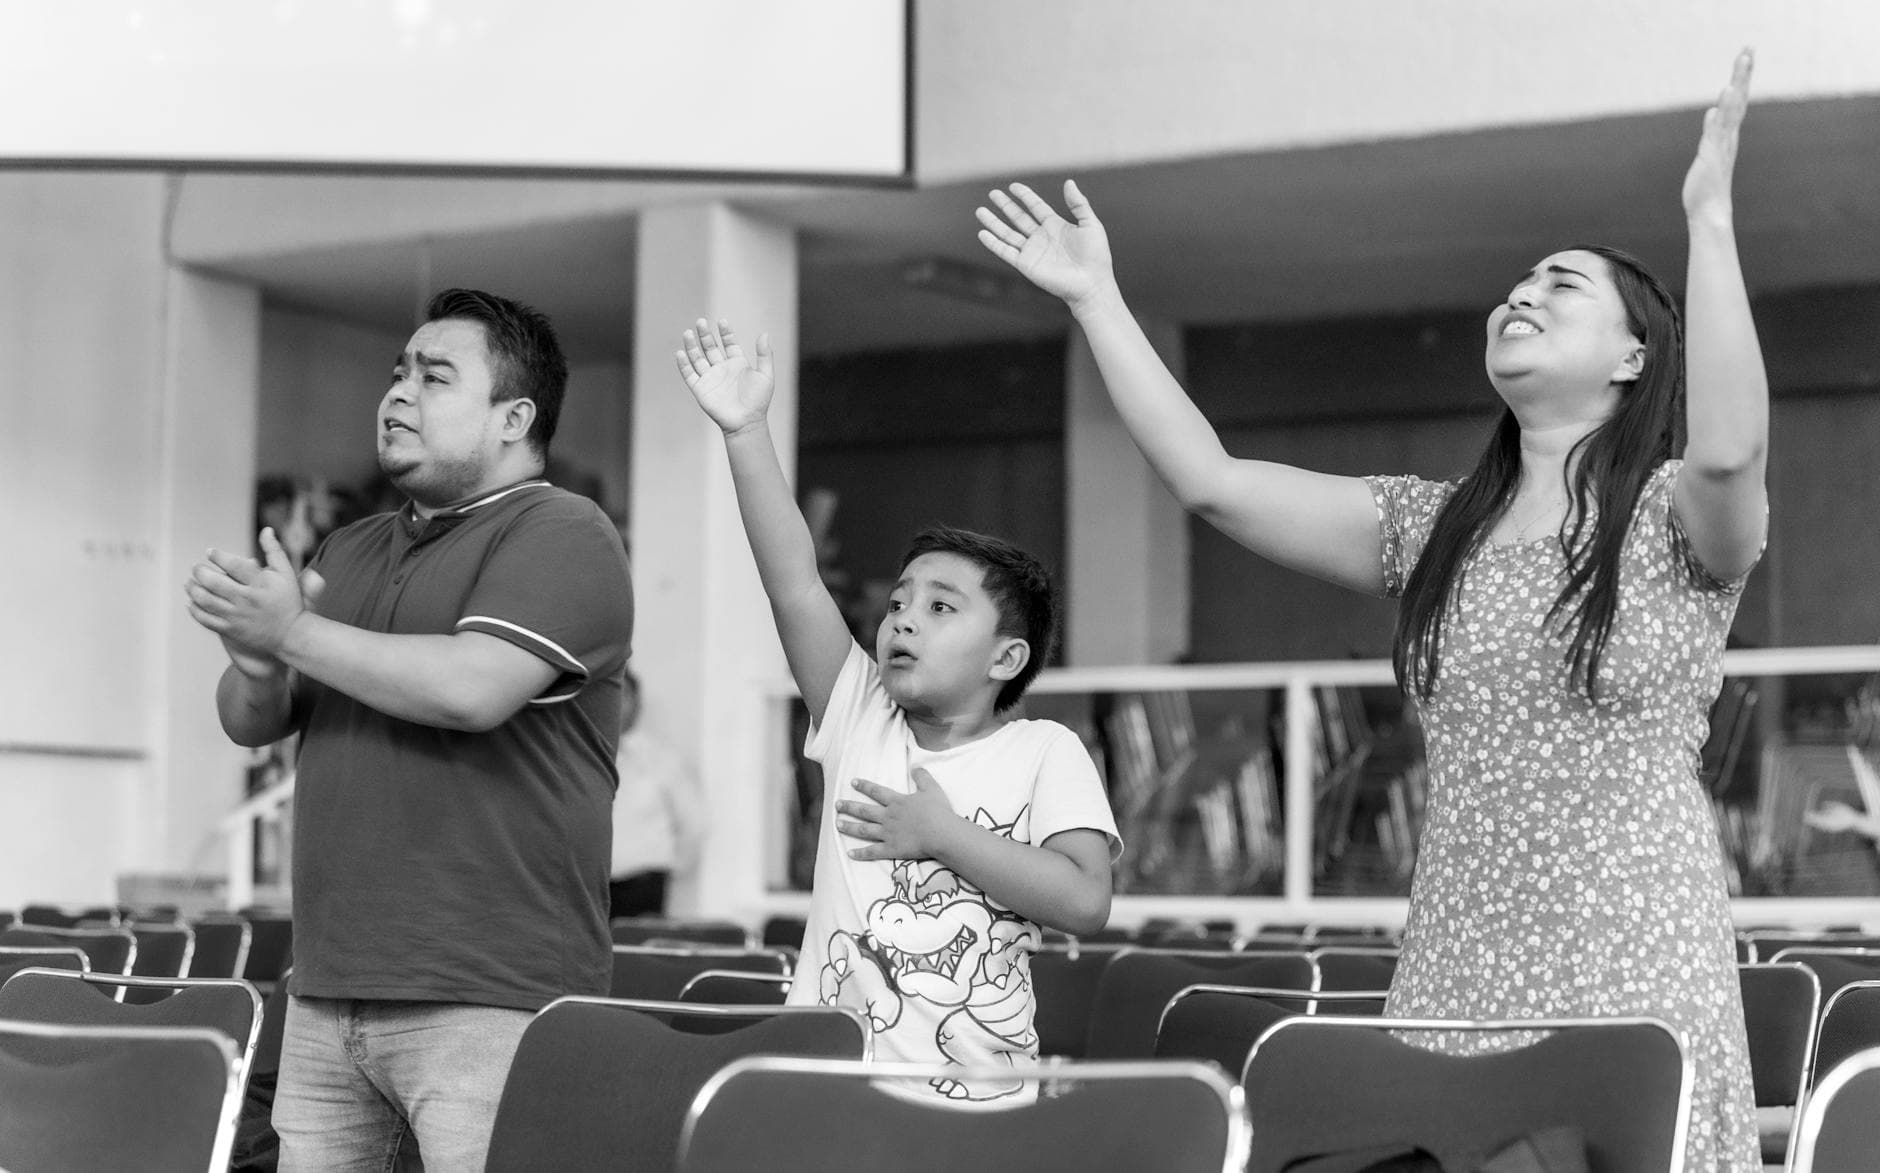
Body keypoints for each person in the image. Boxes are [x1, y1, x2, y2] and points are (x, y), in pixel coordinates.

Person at [977, 51, 1766, 1169]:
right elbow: (1210, 481)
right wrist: (1095, 300)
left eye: (1559, 284)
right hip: (1457, 935)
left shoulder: (1671, 516)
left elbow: (1733, 451)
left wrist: (1709, 218)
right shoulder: (1432, 525)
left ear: (1632, 357)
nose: (1520, 295)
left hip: (1629, 940)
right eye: (1514, 285)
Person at [185, 288, 633, 1172]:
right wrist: (258, 656)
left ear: (515, 417)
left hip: (490, 994)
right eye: (398, 372)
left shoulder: (564, 531)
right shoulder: (348, 549)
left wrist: (294, 632)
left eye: (434, 377)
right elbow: (249, 722)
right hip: (327, 987)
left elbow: (473, 689)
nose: (397, 393)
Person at [674, 318, 1119, 1103]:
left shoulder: (1046, 751)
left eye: (942, 607)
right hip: (825, 1093)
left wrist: (940, 833)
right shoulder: (860, 712)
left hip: (981, 1110)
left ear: (1005, 658)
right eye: (900, 601)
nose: (904, 617)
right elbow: (795, 583)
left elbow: (1085, 901)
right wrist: (745, 432)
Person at [610, 670, 705, 917]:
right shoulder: (583, 758)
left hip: (643, 888)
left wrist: (667, 870)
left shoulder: (662, 758)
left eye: (623, 695)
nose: (615, 703)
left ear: (637, 702)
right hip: (591, 887)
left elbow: (693, 824)